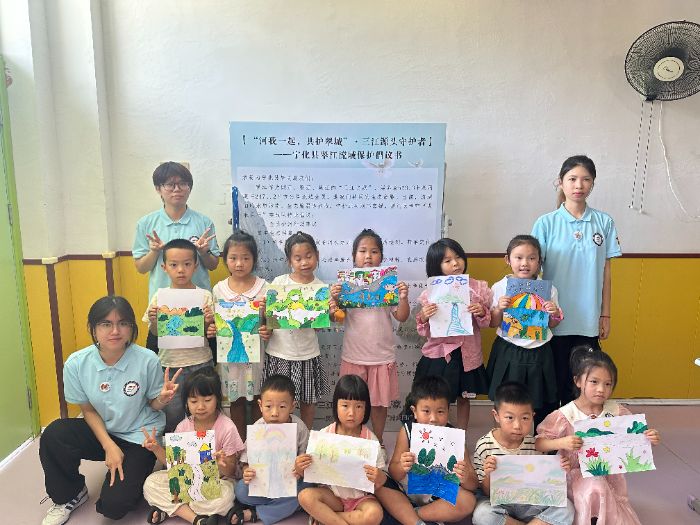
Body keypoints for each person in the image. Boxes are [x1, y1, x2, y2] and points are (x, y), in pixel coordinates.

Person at [39, 296, 177, 525]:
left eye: (123, 323)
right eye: (106, 324)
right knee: (54, 434)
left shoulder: (147, 360)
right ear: (93, 329)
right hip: (101, 430)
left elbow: (153, 405)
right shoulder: (76, 363)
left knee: (114, 506)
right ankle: (70, 495)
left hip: (138, 435)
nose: (115, 331)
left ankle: (140, 465)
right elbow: (88, 410)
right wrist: (109, 445)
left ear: (132, 327)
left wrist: (162, 399)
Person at [531, 155, 622, 406]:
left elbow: (606, 273)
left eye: (586, 179)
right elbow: (532, 273)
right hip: (553, 319)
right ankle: (552, 431)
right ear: (560, 182)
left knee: (584, 386)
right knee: (553, 386)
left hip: (588, 319)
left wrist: (605, 314)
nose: (579, 185)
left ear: (593, 183)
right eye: (572, 179)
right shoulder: (546, 223)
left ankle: (580, 432)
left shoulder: (604, 222)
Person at [535, 346, 660, 525]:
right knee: (595, 486)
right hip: (573, 476)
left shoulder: (616, 412)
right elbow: (539, 443)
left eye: (608, 384)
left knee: (606, 497)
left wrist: (649, 438)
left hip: (610, 478)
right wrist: (562, 442)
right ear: (578, 381)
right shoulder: (566, 414)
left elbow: (635, 438)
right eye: (594, 382)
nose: (601, 389)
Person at [330, 228, 410, 448]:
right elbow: (337, 319)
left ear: (381, 257)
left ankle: (378, 441)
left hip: (381, 356)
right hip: (354, 355)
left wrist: (403, 298)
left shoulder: (387, 285)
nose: (368, 256)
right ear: (353, 256)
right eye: (362, 251)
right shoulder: (346, 286)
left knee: (379, 404)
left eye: (374, 251)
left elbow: (402, 316)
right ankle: (353, 442)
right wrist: (335, 302)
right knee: (351, 402)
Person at [133, 161, 220, 353]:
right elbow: (141, 267)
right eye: (170, 184)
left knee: (202, 360)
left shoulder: (204, 222)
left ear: (189, 188)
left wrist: (204, 252)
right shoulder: (146, 224)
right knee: (162, 360)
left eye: (182, 183)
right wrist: (154, 251)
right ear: (158, 188)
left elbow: (213, 264)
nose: (177, 189)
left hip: (199, 305)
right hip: (164, 306)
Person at [142, 367, 243, 525]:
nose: (200, 406)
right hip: (186, 480)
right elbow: (172, 465)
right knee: (150, 484)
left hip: (218, 480)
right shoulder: (183, 426)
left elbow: (231, 472)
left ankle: (172, 509)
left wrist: (219, 464)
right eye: (194, 401)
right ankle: (197, 518)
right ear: (187, 403)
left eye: (207, 400)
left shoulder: (227, 427)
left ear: (217, 398)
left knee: (225, 497)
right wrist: (156, 448)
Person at [376, 376, 477, 525]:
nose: (433, 418)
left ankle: (412, 516)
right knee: (379, 479)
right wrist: (402, 466)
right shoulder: (407, 431)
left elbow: (473, 484)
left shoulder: (455, 436)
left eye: (440, 411)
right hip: (405, 492)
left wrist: (465, 477)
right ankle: (417, 518)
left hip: (438, 498)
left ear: (448, 410)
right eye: (426, 411)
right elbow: (394, 472)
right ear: (414, 411)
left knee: (468, 500)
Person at [414, 238, 492, 430]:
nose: (455, 263)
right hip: (440, 354)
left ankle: (461, 435)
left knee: (464, 397)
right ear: (436, 265)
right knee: (436, 398)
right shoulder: (430, 293)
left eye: (458, 257)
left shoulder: (477, 288)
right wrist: (423, 316)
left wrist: (481, 312)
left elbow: (486, 323)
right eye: (447, 260)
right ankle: (436, 433)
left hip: (467, 354)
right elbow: (424, 331)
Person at [472, 381, 574, 525]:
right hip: (499, 504)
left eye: (525, 418)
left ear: (532, 416)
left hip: (528, 503)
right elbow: (486, 492)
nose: (517, 426)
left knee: (567, 508)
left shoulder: (534, 444)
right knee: (482, 514)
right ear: (496, 415)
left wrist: (560, 469)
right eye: (509, 418)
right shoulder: (485, 445)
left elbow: (543, 485)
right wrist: (488, 474)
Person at [487, 234, 562, 427]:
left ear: (539, 261)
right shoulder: (499, 287)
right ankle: (503, 436)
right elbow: (493, 323)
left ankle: (540, 437)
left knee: (541, 401)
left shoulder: (549, 290)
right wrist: (499, 309)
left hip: (540, 351)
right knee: (506, 400)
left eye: (531, 258)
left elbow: (552, 324)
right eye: (518, 257)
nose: (525, 263)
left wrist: (553, 313)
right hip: (508, 349)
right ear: (508, 259)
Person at [260, 231, 329, 430]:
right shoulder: (279, 283)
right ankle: (279, 437)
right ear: (289, 260)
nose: (304, 262)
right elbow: (269, 322)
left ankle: (304, 437)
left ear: (317, 255)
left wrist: (326, 312)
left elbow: (318, 327)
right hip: (280, 353)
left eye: (308, 256)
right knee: (278, 401)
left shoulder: (320, 288)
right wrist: (264, 311)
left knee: (308, 400)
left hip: (308, 353)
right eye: (297, 258)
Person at [145, 238, 215, 431]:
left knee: (203, 411)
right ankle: (174, 449)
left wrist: (208, 321)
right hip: (170, 364)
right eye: (174, 265)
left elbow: (208, 333)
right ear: (164, 267)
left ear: (196, 266)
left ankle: (205, 448)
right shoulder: (159, 297)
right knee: (173, 414)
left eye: (187, 264)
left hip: (200, 361)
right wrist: (154, 321)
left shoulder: (205, 296)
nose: (181, 270)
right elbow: (155, 333)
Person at [296, 375, 385, 525]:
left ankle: (327, 518)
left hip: (360, 499)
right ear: (335, 406)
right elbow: (310, 472)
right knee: (304, 496)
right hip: (331, 496)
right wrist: (299, 467)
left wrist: (379, 477)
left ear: (366, 408)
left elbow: (380, 480)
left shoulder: (371, 440)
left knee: (374, 514)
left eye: (358, 406)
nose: (351, 413)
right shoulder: (324, 435)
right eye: (345, 406)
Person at [207, 230, 270, 439]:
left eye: (245, 258)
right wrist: (212, 329)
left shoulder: (264, 287)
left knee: (260, 399)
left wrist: (267, 328)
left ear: (254, 259)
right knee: (236, 401)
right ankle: (240, 445)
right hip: (231, 359)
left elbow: (271, 322)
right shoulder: (218, 290)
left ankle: (260, 445)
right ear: (225, 259)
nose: (239, 263)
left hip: (257, 357)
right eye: (233, 258)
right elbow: (215, 322)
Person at [232, 374, 311, 524]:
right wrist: (247, 472)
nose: (275, 413)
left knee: (308, 487)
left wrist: (300, 469)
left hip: (290, 483)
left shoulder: (300, 428)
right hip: (263, 484)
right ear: (260, 405)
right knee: (240, 490)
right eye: (268, 406)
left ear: (292, 406)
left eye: (282, 407)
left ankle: (258, 513)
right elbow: (246, 461)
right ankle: (287, 506)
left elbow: (306, 462)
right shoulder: (258, 427)